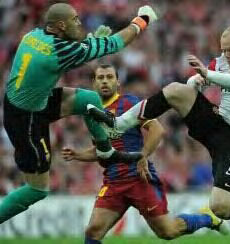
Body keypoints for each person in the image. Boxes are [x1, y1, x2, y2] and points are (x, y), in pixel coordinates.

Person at [89, 25, 230, 240]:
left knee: (220, 207)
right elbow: (194, 83)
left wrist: (208, 74)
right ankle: (118, 124)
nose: (226, 55)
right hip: (218, 124)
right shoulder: (222, 63)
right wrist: (197, 81)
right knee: (177, 90)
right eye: (223, 50)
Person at [1, 3, 158, 224]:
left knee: (89, 100)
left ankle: (105, 151)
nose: (79, 23)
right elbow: (115, 43)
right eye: (75, 20)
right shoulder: (58, 52)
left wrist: (87, 43)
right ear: (61, 25)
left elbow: (67, 51)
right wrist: (142, 20)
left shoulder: (33, 35)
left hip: (33, 100)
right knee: (38, 189)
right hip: (25, 120)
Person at [62, 64, 228, 244]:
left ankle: (208, 217)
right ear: (93, 83)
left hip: (139, 177)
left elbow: (157, 130)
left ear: (118, 82)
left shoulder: (128, 103)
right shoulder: (92, 112)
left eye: (109, 77)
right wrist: (78, 154)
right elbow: (103, 151)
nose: (105, 81)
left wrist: (143, 156)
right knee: (93, 231)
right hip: (113, 181)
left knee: (168, 232)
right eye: (100, 78)